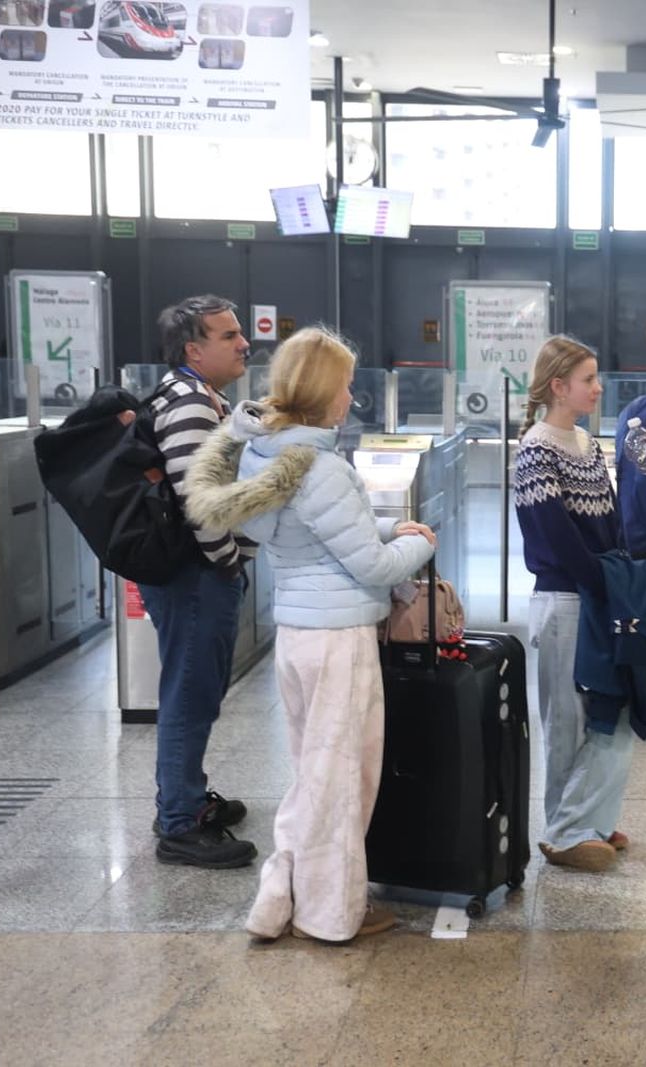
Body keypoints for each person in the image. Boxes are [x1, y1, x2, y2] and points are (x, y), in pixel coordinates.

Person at [184, 326, 436, 942]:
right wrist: (416, 543)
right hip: (339, 641)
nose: (351, 396)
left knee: (312, 775)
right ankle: (332, 913)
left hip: (297, 632)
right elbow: (371, 568)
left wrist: (381, 531)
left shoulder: (265, 456)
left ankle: (280, 900)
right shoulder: (321, 468)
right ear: (327, 393)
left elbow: (315, 539)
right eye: (347, 384)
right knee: (342, 779)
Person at [141, 294, 259, 869]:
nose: (243, 343)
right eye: (228, 335)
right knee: (189, 695)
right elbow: (200, 502)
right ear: (194, 349)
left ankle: (186, 798)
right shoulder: (189, 402)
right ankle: (180, 824)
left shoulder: (203, 397)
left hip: (197, 572)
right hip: (195, 574)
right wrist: (229, 563)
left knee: (197, 690)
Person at [514, 337, 633, 873]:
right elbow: (558, 541)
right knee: (566, 721)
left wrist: (620, 571)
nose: (598, 387)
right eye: (588, 379)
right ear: (559, 386)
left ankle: (586, 818)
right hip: (564, 600)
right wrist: (606, 581)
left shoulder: (586, 442)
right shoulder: (537, 449)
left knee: (601, 714)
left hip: (595, 597)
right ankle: (565, 831)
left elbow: (609, 524)